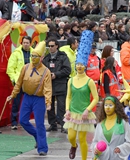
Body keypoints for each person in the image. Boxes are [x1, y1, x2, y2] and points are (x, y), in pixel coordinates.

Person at [7, 41, 52, 156]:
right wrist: (13, 95)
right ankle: (37, 135)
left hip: (39, 99)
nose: (33, 58)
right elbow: (19, 83)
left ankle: (42, 148)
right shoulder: (25, 67)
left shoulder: (46, 71)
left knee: (40, 123)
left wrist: (48, 102)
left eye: (35, 56)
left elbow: (47, 88)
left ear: (41, 58)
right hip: (27, 97)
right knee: (22, 120)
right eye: (32, 56)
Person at [63, 27, 99, 160]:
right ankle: (73, 146)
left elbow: (95, 98)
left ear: (85, 66)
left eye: (81, 65)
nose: (79, 67)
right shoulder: (71, 80)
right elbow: (68, 96)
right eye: (77, 64)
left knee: (83, 139)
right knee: (71, 137)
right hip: (72, 112)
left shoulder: (89, 81)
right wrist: (67, 109)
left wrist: (87, 110)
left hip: (84, 113)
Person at [91, 95, 130, 160]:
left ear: (116, 107)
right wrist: (95, 148)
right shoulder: (100, 124)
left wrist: (120, 148)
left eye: (110, 105)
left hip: (117, 158)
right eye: (106, 105)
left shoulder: (123, 123)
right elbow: (95, 141)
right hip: (102, 157)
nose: (107, 108)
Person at [43, 38, 71, 133]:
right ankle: (52, 124)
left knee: (61, 107)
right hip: (49, 85)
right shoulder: (46, 58)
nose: (50, 48)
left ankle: (63, 125)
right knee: (49, 106)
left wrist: (56, 74)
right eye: (49, 46)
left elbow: (67, 70)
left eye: (52, 46)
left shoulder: (63, 57)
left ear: (57, 46)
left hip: (60, 84)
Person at [6, 36, 34, 130]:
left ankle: (25, 121)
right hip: (19, 82)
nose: (25, 44)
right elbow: (10, 69)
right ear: (21, 43)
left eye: (27, 43)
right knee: (16, 103)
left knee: (29, 103)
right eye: (24, 42)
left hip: (30, 82)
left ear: (30, 43)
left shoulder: (34, 53)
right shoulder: (16, 53)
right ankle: (14, 122)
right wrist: (14, 79)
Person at [86, 42, 100, 112]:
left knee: (94, 99)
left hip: (96, 83)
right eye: (91, 48)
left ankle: (93, 115)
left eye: (94, 48)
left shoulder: (97, 58)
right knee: (88, 100)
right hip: (88, 83)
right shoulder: (85, 58)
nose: (92, 49)